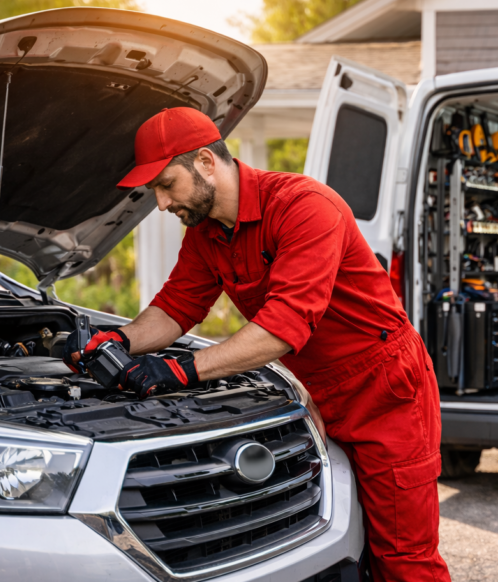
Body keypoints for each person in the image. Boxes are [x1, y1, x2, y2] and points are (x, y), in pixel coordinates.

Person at [66, 107, 451, 582]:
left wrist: (182, 370)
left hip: (383, 390)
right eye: (154, 193)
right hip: (313, 392)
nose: (161, 204)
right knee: (338, 544)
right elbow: (176, 308)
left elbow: (286, 325)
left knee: (403, 555)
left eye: (166, 185)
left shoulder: (305, 206)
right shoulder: (207, 233)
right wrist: (119, 340)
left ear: (206, 162)